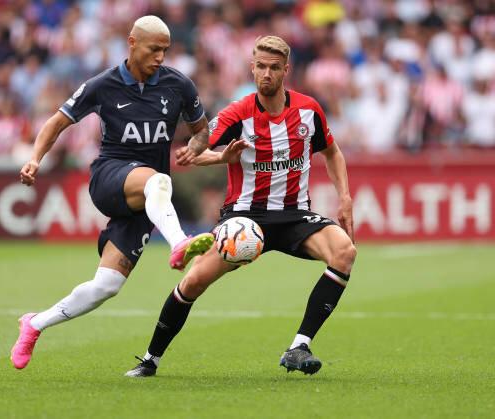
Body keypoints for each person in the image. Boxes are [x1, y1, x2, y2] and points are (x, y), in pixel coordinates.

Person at [126, 35, 357, 377]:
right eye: (261, 67)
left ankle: (298, 346)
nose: (266, 74)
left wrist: (345, 197)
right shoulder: (237, 112)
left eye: (274, 68)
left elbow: (332, 152)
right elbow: (197, 149)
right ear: (252, 68)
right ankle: (150, 359)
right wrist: (218, 156)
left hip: (294, 215)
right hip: (245, 219)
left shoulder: (309, 110)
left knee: (345, 251)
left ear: (285, 71)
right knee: (193, 282)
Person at [10, 16, 215, 369]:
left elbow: (202, 131)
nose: (161, 58)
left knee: (106, 286)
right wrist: (34, 159)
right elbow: (56, 122)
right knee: (159, 180)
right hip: (109, 177)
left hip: (146, 202)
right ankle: (179, 241)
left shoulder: (178, 85)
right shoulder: (102, 85)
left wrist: (197, 147)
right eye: (154, 49)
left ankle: (34, 324)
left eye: (165, 50)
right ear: (132, 43)